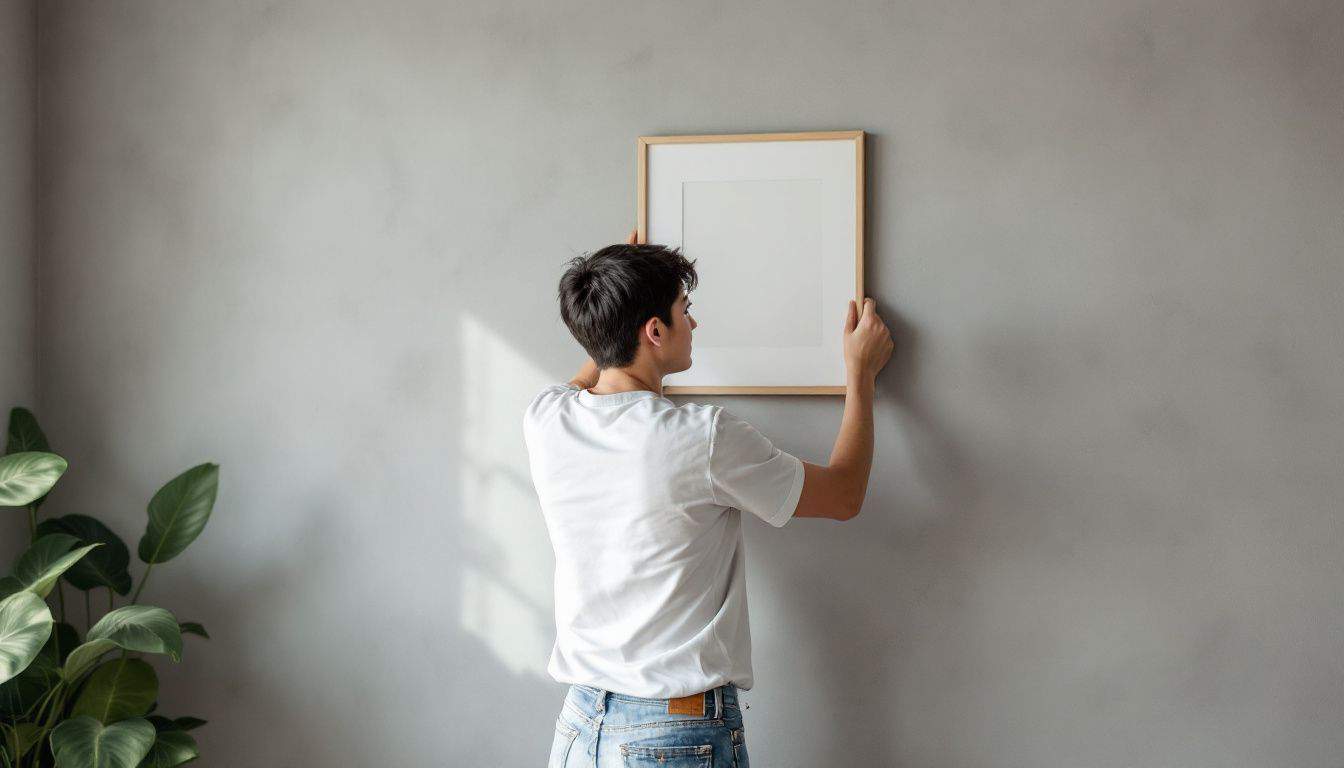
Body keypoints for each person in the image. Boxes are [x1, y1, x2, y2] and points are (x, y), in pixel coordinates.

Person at [524, 228, 893, 767]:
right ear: (655, 330)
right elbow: (843, 496)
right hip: (670, 736)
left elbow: (596, 368)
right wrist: (860, 373)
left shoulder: (546, 418)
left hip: (581, 725)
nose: (692, 322)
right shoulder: (704, 437)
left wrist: (615, 286)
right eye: (683, 308)